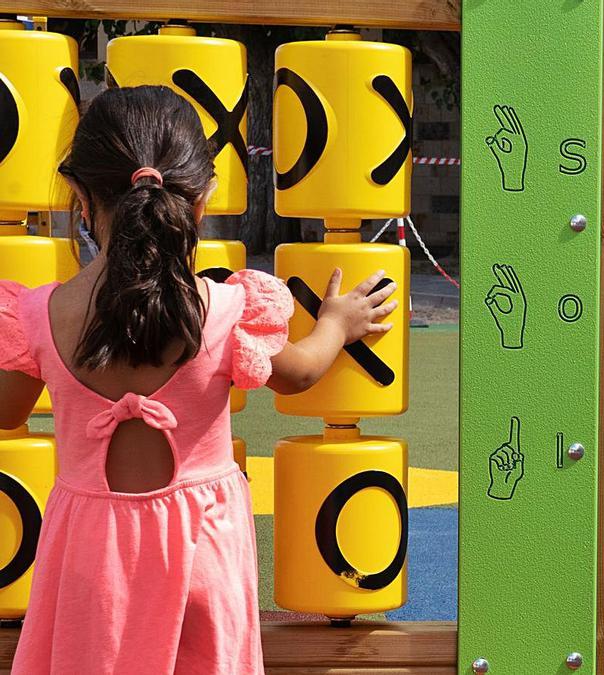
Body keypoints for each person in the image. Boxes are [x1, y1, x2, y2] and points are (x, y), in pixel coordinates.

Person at [0, 86, 398, 672]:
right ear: (202, 200)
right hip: (201, 548)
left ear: (81, 198)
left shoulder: (38, 315)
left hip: (90, 556)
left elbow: (5, 412)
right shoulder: (230, 309)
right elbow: (299, 374)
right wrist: (336, 325)